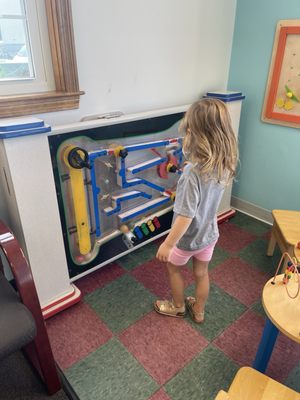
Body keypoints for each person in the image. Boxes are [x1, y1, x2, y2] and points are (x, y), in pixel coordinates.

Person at [154, 98, 238, 323]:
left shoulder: (192, 174)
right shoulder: (224, 163)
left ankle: (178, 306)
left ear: (194, 134)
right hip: (209, 236)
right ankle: (199, 310)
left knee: (173, 269)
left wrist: (168, 244)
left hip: (186, 240)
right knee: (201, 273)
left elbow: (185, 215)